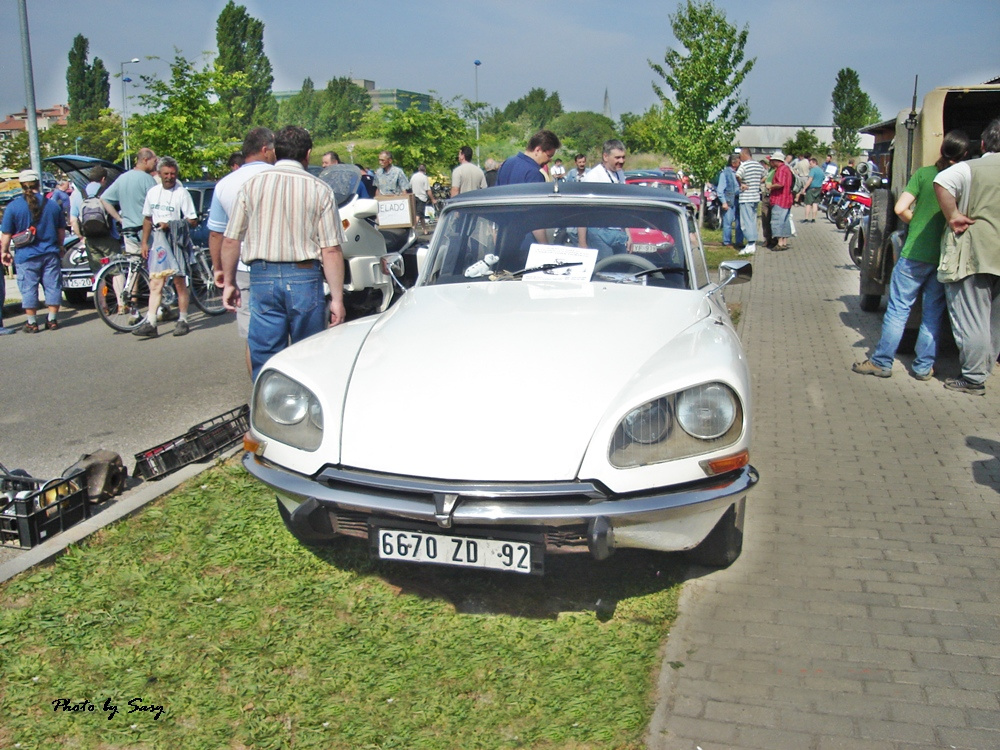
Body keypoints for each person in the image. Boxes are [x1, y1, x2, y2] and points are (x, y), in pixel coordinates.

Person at [221, 125, 347, 382]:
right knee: (308, 352)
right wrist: (337, 298)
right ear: (308, 153)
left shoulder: (252, 185)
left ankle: (269, 410)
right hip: (304, 276)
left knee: (265, 353)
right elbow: (331, 249)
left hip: (262, 276)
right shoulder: (320, 189)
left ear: (275, 152)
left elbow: (231, 239)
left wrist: (230, 282)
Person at [853, 130, 970, 382]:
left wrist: (917, 223)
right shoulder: (965, 179)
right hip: (943, 256)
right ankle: (923, 367)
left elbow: (899, 208)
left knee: (898, 309)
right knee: (932, 313)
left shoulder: (925, 174)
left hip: (914, 252)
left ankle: (882, 362)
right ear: (965, 154)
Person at [933, 117, 1000, 395]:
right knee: (995, 319)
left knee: (972, 316)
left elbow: (941, 181)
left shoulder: (968, 168)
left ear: (983, 143)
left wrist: (953, 215)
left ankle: (973, 378)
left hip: (976, 252)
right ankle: (985, 365)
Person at [207, 127, 276, 373]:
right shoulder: (281, 176)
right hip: (285, 263)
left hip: (244, 267)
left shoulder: (225, 184)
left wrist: (219, 269)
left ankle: (259, 389)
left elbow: (217, 234)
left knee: (254, 337)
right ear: (265, 149)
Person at [133, 157, 199, 338]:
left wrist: (170, 224)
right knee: (156, 283)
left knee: (179, 282)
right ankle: (151, 322)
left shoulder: (182, 193)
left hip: (176, 241)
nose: (169, 177)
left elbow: (192, 220)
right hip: (159, 242)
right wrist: (145, 243)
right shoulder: (153, 192)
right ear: (159, 174)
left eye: (172, 174)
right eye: (166, 174)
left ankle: (183, 319)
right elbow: (147, 218)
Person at [0, 169, 66, 332]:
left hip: (26, 254)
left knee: (28, 288)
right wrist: (60, 246)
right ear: (39, 183)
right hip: (50, 253)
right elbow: (61, 231)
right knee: (52, 286)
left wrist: (4, 251)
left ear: (21, 185)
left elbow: (6, 234)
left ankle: (32, 322)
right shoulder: (52, 205)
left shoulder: (13, 207)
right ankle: (52, 320)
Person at [102, 147, 158, 257]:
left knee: (134, 264)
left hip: (128, 230)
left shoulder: (122, 178)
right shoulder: (148, 180)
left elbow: (104, 199)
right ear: (145, 160)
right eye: (154, 161)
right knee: (154, 267)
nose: (156, 164)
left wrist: (119, 219)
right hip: (146, 231)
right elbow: (157, 206)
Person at [579, 139, 628, 259]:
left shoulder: (620, 174)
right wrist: (582, 243)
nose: (621, 161)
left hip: (618, 232)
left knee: (623, 269)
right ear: (606, 156)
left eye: (623, 157)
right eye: (617, 157)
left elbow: (623, 207)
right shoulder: (593, 178)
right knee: (606, 272)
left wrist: (628, 234)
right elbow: (582, 212)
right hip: (599, 232)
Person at [496, 129, 561, 185]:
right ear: (537, 150)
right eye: (549, 156)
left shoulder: (507, 163)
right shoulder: (535, 174)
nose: (550, 160)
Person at [735, 147, 765, 256]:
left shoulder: (744, 165)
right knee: (752, 219)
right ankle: (752, 242)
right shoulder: (758, 165)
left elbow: (737, 175)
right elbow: (765, 176)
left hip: (746, 197)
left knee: (746, 221)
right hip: (755, 196)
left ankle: (751, 242)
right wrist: (757, 183)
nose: (739, 158)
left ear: (744, 154)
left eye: (740, 155)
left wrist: (742, 183)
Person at [767, 151, 794, 250]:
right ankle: (784, 242)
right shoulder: (787, 169)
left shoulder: (781, 169)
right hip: (787, 198)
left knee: (777, 221)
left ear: (776, 161)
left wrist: (771, 186)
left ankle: (780, 243)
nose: (771, 162)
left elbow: (781, 183)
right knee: (785, 221)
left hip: (779, 199)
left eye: (772, 160)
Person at [717, 154, 740, 246]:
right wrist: (724, 202)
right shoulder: (725, 173)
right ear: (733, 163)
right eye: (739, 161)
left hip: (739, 199)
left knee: (739, 222)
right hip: (729, 201)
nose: (740, 163)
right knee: (728, 222)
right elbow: (720, 190)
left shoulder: (739, 172)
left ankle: (739, 241)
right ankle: (727, 242)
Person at [410, 164, 435, 233]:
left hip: (414, 197)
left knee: (421, 215)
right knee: (418, 214)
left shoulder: (413, 176)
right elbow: (428, 190)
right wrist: (433, 199)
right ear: (425, 170)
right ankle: (412, 230)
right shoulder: (424, 177)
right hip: (421, 198)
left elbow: (410, 186)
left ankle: (425, 230)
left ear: (418, 169)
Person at [803, 157, 826, 222]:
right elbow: (823, 178)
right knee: (815, 203)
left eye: (810, 164)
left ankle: (806, 218)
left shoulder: (813, 170)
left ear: (814, 163)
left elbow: (810, 180)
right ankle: (813, 218)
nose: (810, 165)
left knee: (808, 204)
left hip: (811, 188)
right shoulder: (821, 170)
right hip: (818, 188)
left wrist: (804, 188)